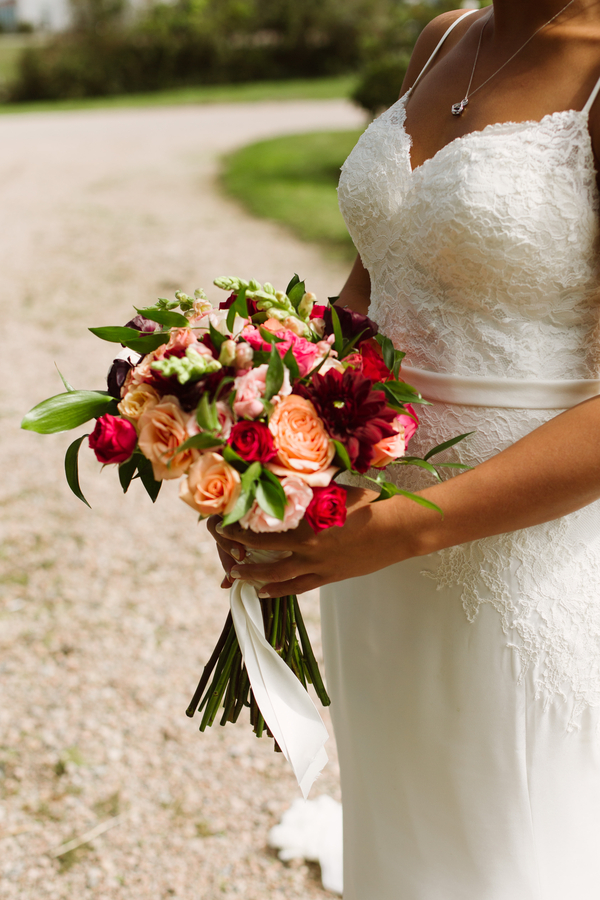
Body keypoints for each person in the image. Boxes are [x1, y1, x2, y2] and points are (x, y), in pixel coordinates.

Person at [209, 2, 600, 897]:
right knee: (410, 832)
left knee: (522, 844)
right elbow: (380, 270)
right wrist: (254, 435)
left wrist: (400, 532)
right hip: (369, 544)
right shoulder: (445, 36)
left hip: (520, 553)